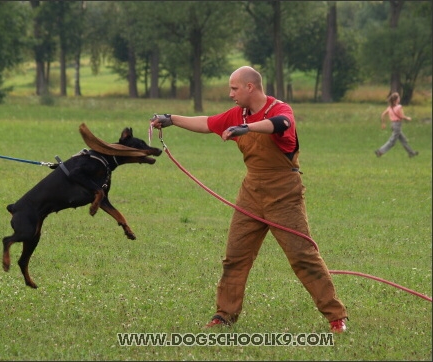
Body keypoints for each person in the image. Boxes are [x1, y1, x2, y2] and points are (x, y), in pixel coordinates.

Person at [150, 66, 348, 333]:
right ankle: (224, 315)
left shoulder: (279, 110)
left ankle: (336, 317)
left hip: (284, 192)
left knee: (303, 256)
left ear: (250, 87)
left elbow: (281, 125)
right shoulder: (237, 114)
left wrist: (246, 128)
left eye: (234, 88)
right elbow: (207, 122)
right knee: (235, 256)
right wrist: (171, 119)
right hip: (251, 191)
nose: (230, 93)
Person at [375, 92, 418, 158]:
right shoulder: (399, 107)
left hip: (393, 125)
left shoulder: (390, 107)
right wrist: (408, 118)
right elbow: (401, 116)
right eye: (398, 98)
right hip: (397, 125)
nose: (399, 99)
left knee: (403, 140)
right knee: (392, 141)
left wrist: (383, 123)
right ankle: (380, 151)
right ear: (396, 100)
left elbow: (383, 115)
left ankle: (411, 153)